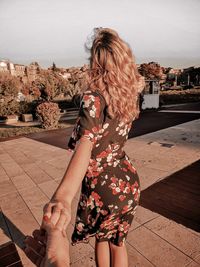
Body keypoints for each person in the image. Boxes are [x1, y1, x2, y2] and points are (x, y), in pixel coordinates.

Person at [41, 27, 145, 267]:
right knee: (118, 242)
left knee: (101, 239)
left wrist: (63, 196)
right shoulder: (128, 94)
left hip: (103, 186)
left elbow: (86, 144)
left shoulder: (94, 98)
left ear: (95, 61)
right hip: (127, 181)